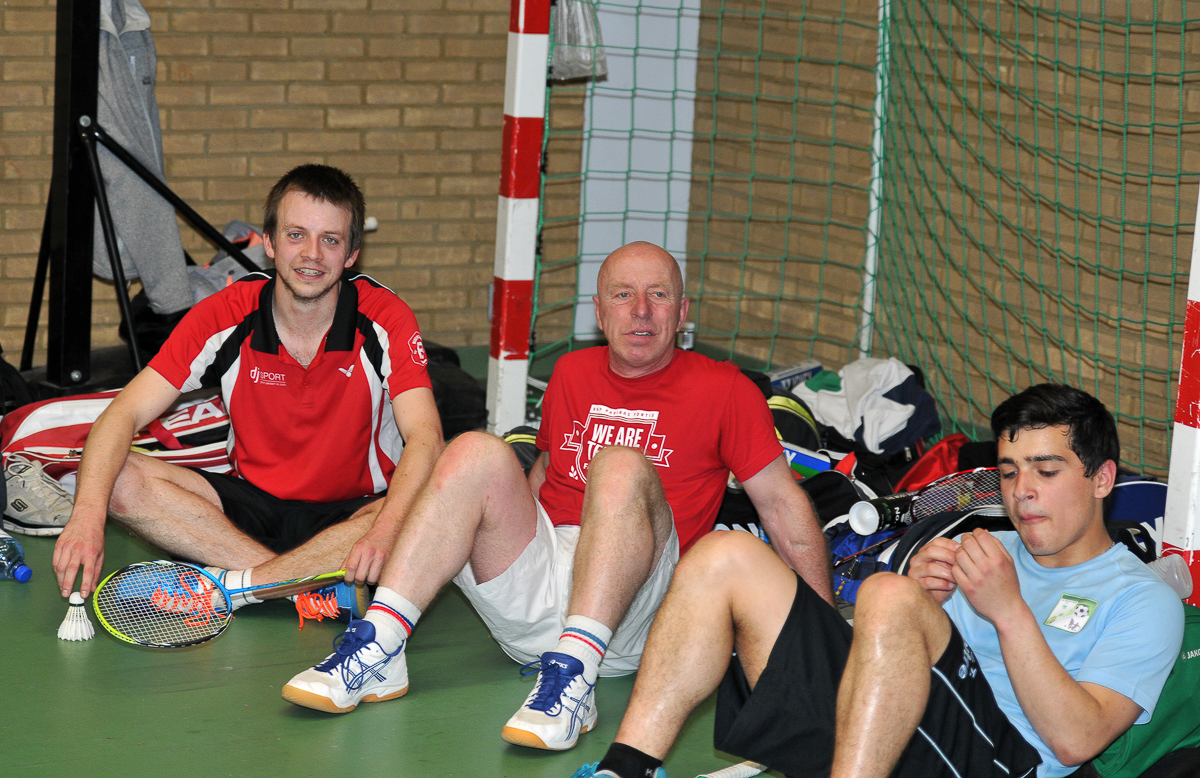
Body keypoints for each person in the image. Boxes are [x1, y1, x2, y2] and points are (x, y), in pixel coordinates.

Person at [281, 241, 833, 752]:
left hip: (636, 611)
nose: (641, 311)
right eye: (624, 295)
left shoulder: (726, 389)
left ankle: (576, 677)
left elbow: (782, 505)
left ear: (682, 312)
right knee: (473, 449)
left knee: (617, 465)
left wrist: (825, 636)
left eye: (659, 295)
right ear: (600, 312)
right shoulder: (571, 372)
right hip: (537, 607)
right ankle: (381, 645)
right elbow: (541, 477)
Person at [573, 383, 1184, 778]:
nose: (1022, 491)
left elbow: (1078, 740)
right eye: (1008, 472)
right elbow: (900, 651)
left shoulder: (1143, 599)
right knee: (725, 554)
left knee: (887, 596)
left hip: (1003, 763)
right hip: (887, 735)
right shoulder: (982, 547)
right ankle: (624, 768)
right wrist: (919, 600)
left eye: (1046, 471)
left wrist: (1008, 611)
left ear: (1102, 479)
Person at [52, 164, 443, 616]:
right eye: (296, 235)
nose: (312, 254)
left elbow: (426, 436)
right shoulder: (225, 314)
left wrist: (386, 531)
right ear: (270, 243)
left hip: (355, 515)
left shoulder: (385, 317)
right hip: (249, 512)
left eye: (331, 240)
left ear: (352, 253)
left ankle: (235, 585)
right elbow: (122, 414)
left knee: (422, 508)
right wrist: (86, 517)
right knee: (115, 477)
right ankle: (303, 588)